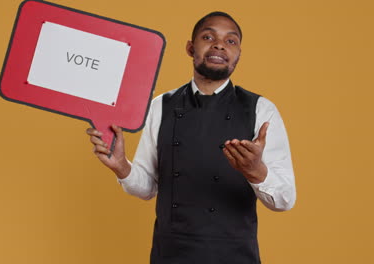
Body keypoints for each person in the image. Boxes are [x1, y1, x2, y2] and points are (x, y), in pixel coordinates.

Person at [86, 11, 296, 264]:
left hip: (235, 256)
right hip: (170, 254)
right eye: (208, 36)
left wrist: (256, 171)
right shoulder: (160, 106)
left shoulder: (261, 109)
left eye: (231, 41)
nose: (219, 44)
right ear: (190, 47)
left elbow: (285, 200)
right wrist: (122, 166)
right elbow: (147, 188)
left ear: (238, 55)